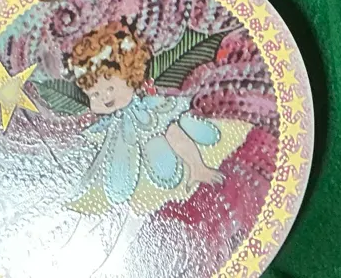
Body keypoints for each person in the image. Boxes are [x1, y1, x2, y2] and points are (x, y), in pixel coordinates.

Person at [61, 20, 245, 275]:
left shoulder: (153, 110)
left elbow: (176, 135)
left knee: (149, 213)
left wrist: (197, 167)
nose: (104, 98)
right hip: (127, 167)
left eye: (110, 87)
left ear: (131, 75)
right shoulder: (110, 127)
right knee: (124, 211)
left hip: (162, 168)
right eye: (95, 95)